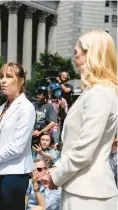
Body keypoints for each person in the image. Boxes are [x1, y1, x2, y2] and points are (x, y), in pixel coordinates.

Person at [42, 30, 117, 210]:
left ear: (90, 54)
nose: (73, 58)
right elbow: (74, 145)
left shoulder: (99, 93)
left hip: (88, 195)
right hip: (82, 189)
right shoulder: (96, 92)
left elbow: (84, 150)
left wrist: (56, 175)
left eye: (76, 52)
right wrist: (55, 170)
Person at [0, 62, 36, 210]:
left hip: (15, 175)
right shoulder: (3, 107)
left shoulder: (26, 107)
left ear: (21, 80)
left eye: (9, 76)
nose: (3, 80)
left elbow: (17, 147)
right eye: (1, 76)